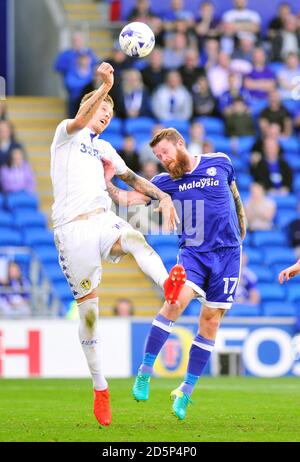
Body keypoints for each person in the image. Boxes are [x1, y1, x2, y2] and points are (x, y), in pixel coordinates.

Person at [50, 62, 186, 428]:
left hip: (100, 219)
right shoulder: (66, 134)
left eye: (110, 113)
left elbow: (133, 179)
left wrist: (163, 197)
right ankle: (100, 388)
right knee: (89, 316)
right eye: (102, 110)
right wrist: (104, 86)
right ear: (89, 107)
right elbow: (79, 119)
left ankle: (168, 288)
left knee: (135, 237)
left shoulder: (105, 148)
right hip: (70, 230)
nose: (106, 117)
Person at [103, 128, 246, 421]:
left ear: (180, 144)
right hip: (194, 252)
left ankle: (186, 391)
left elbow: (235, 197)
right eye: (158, 156)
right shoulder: (164, 183)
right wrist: (107, 184)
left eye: (165, 153)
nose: (163, 160)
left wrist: (242, 230)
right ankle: (144, 373)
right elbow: (127, 199)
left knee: (209, 322)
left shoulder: (220, 161)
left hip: (229, 255)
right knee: (173, 302)